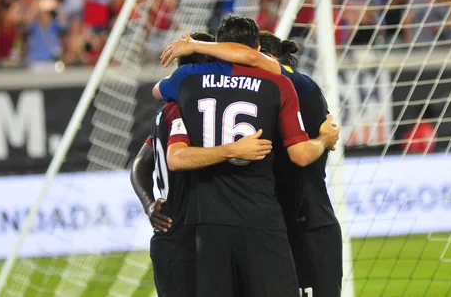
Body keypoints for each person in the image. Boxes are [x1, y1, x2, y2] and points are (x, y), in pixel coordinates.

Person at [154, 15, 340, 297]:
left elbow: (172, 150)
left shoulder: (187, 82)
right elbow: (301, 155)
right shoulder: (281, 84)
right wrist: (324, 140)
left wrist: (192, 47)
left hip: (209, 220)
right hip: (270, 216)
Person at [130, 32, 273, 297]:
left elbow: (139, 165)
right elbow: (176, 158)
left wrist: (149, 204)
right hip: (186, 235)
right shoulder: (184, 109)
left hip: (171, 235)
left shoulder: (164, 112)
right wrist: (233, 150)